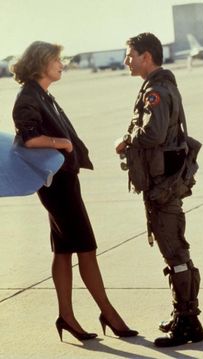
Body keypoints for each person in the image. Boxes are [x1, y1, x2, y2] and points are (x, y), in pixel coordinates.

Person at [11, 41, 138, 342]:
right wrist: (61, 143)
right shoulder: (28, 97)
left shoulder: (42, 95)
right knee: (86, 247)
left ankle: (66, 316)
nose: (62, 63)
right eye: (57, 59)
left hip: (62, 179)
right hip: (56, 184)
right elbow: (28, 138)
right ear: (41, 62)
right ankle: (108, 312)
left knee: (65, 249)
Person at [115, 33, 203, 347]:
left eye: (130, 55)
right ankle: (185, 315)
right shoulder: (160, 86)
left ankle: (188, 323)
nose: (127, 61)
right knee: (176, 251)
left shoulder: (156, 90)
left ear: (146, 56)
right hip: (164, 183)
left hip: (163, 187)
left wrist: (127, 140)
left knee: (175, 252)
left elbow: (152, 133)